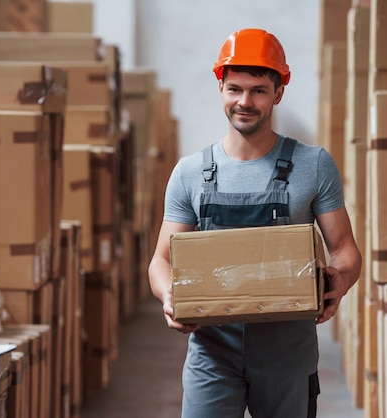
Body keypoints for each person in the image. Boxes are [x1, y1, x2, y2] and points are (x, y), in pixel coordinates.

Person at [148, 28, 362, 418]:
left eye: (258, 90)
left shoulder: (313, 165)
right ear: (221, 88)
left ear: (278, 92)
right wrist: (169, 295)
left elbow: (345, 249)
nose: (244, 102)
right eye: (234, 89)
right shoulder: (191, 172)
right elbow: (160, 260)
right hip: (212, 347)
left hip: (287, 348)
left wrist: (339, 281)